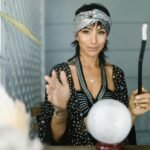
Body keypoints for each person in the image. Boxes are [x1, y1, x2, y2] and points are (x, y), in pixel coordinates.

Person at [38, 3, 150, 145]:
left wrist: (132, 113)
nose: (93, 40)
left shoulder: (116, 74)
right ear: (76, 34)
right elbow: (52, 139)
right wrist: (60, 110)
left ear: (107, 35)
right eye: (86, 31)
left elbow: (121, 131)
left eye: (100, 32)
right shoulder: (61, 74)